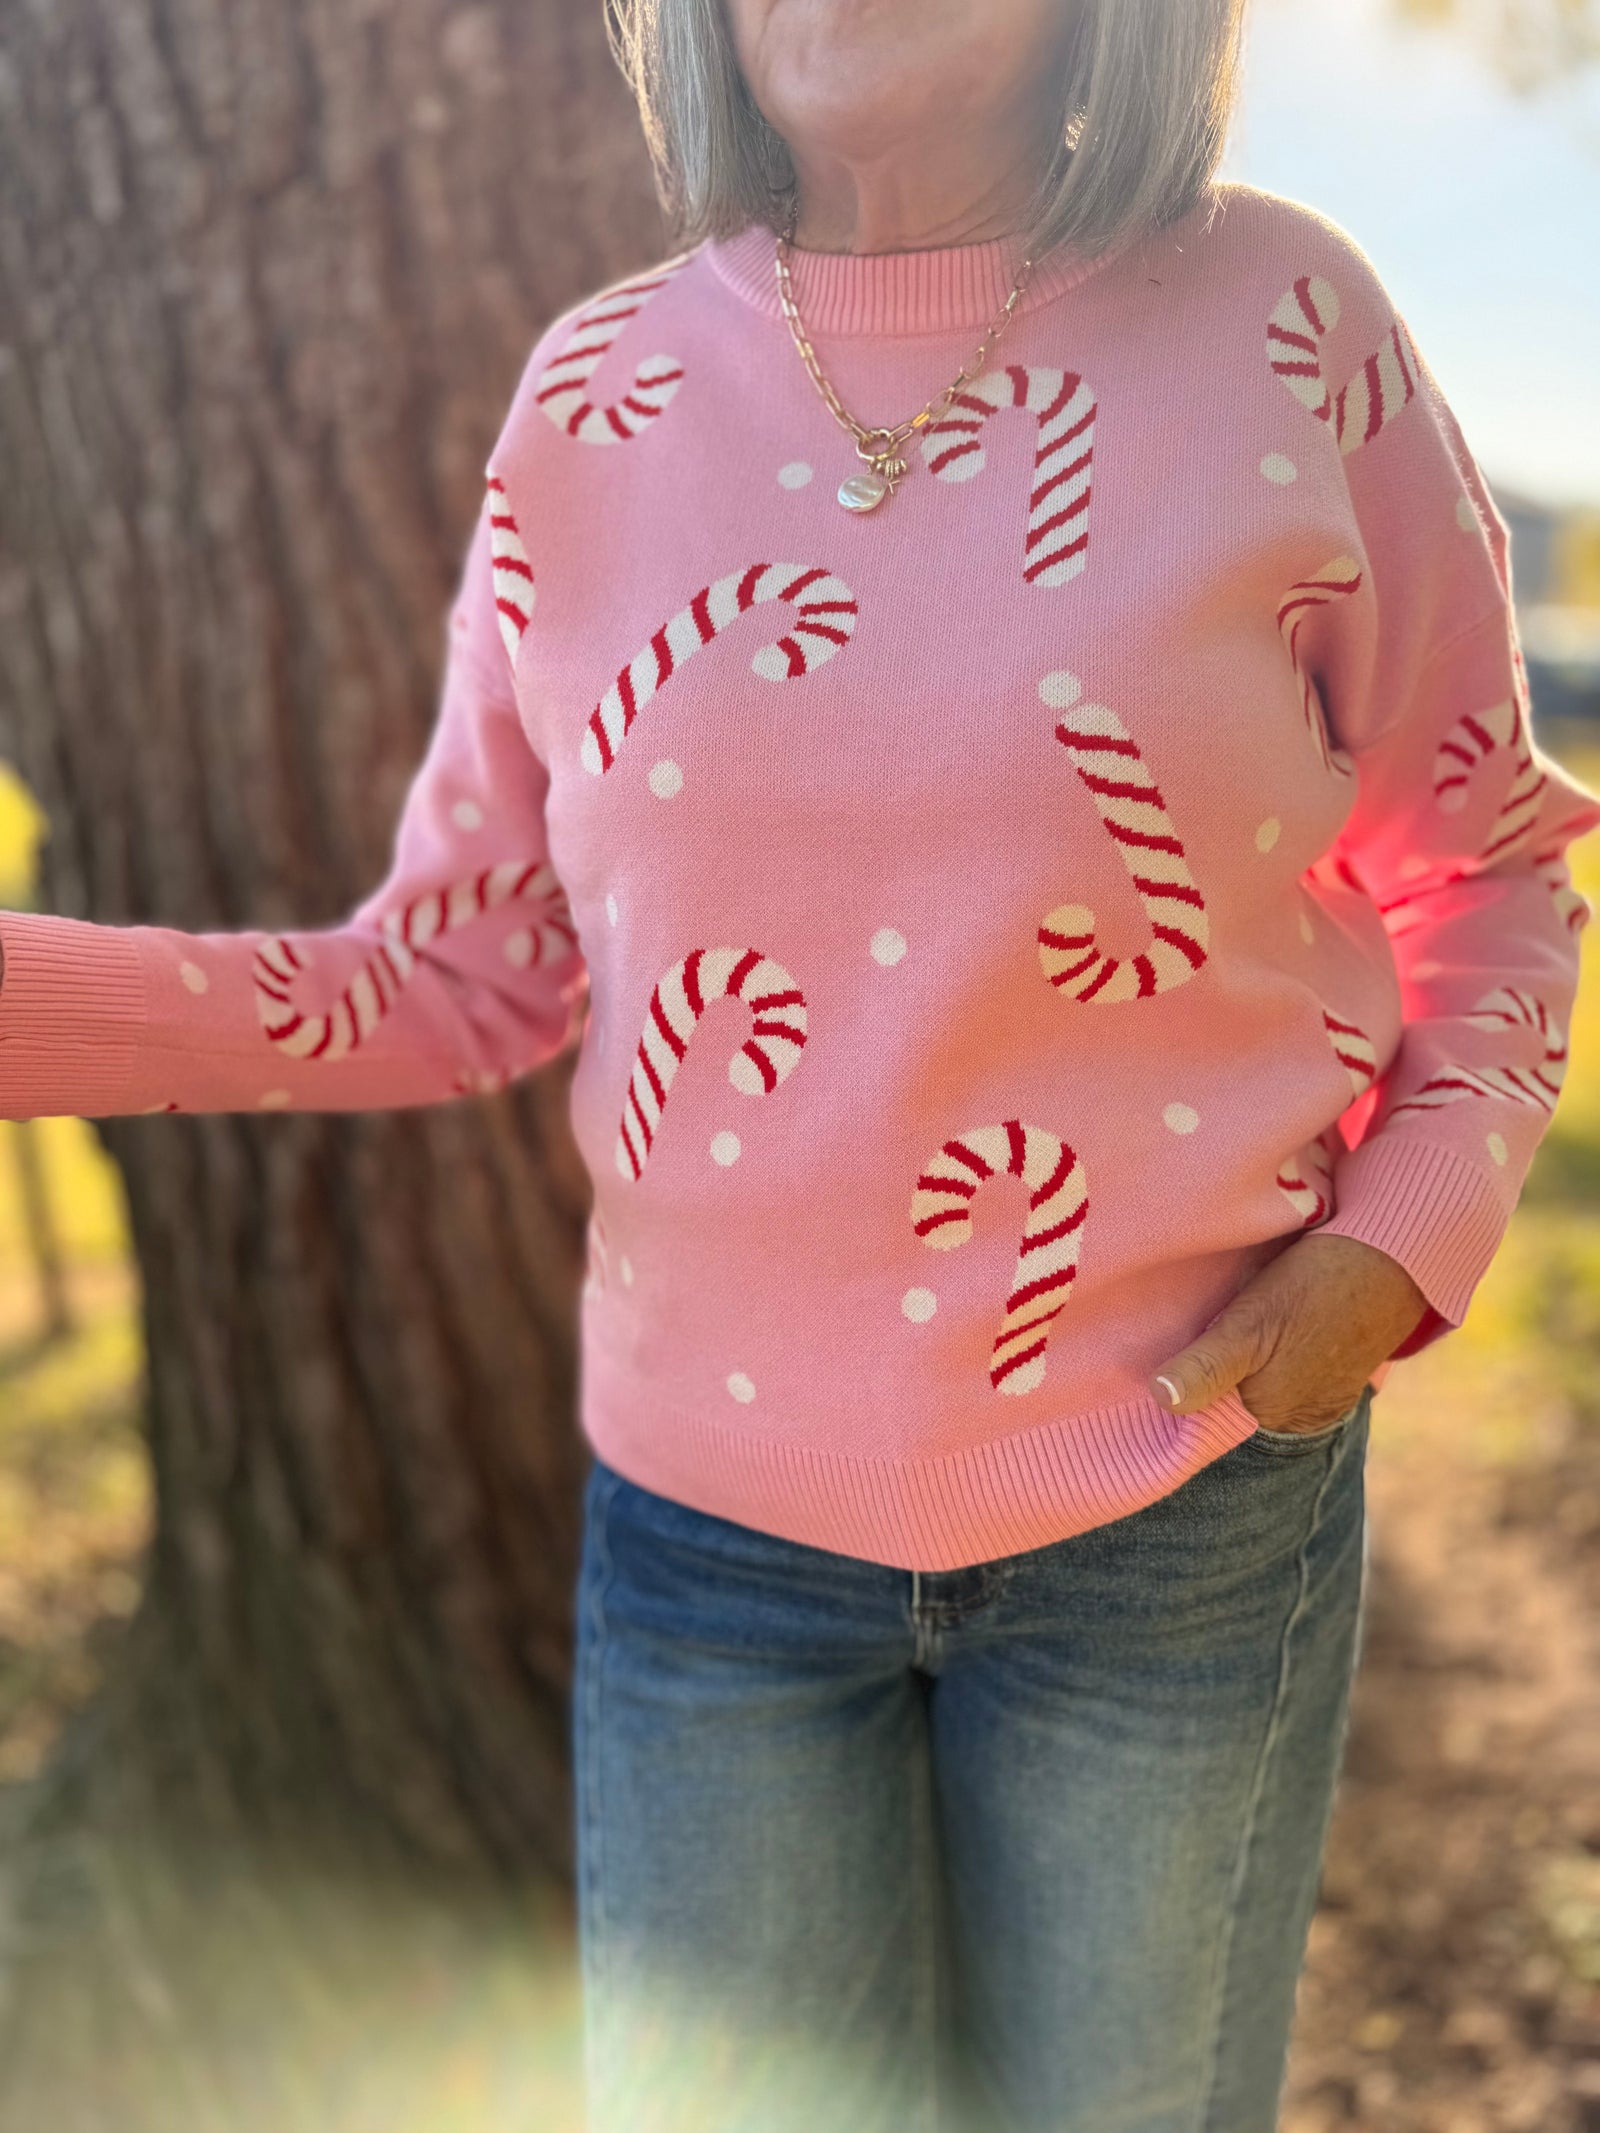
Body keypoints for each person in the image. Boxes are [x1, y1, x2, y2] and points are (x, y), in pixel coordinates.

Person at [4, 0, 1597, 2125]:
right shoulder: (594, 396)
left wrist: (1395, 1247)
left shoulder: (1281, 318)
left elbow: (1482, 868)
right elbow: (452, 975)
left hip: (1170, 1522)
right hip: (706, 1552)